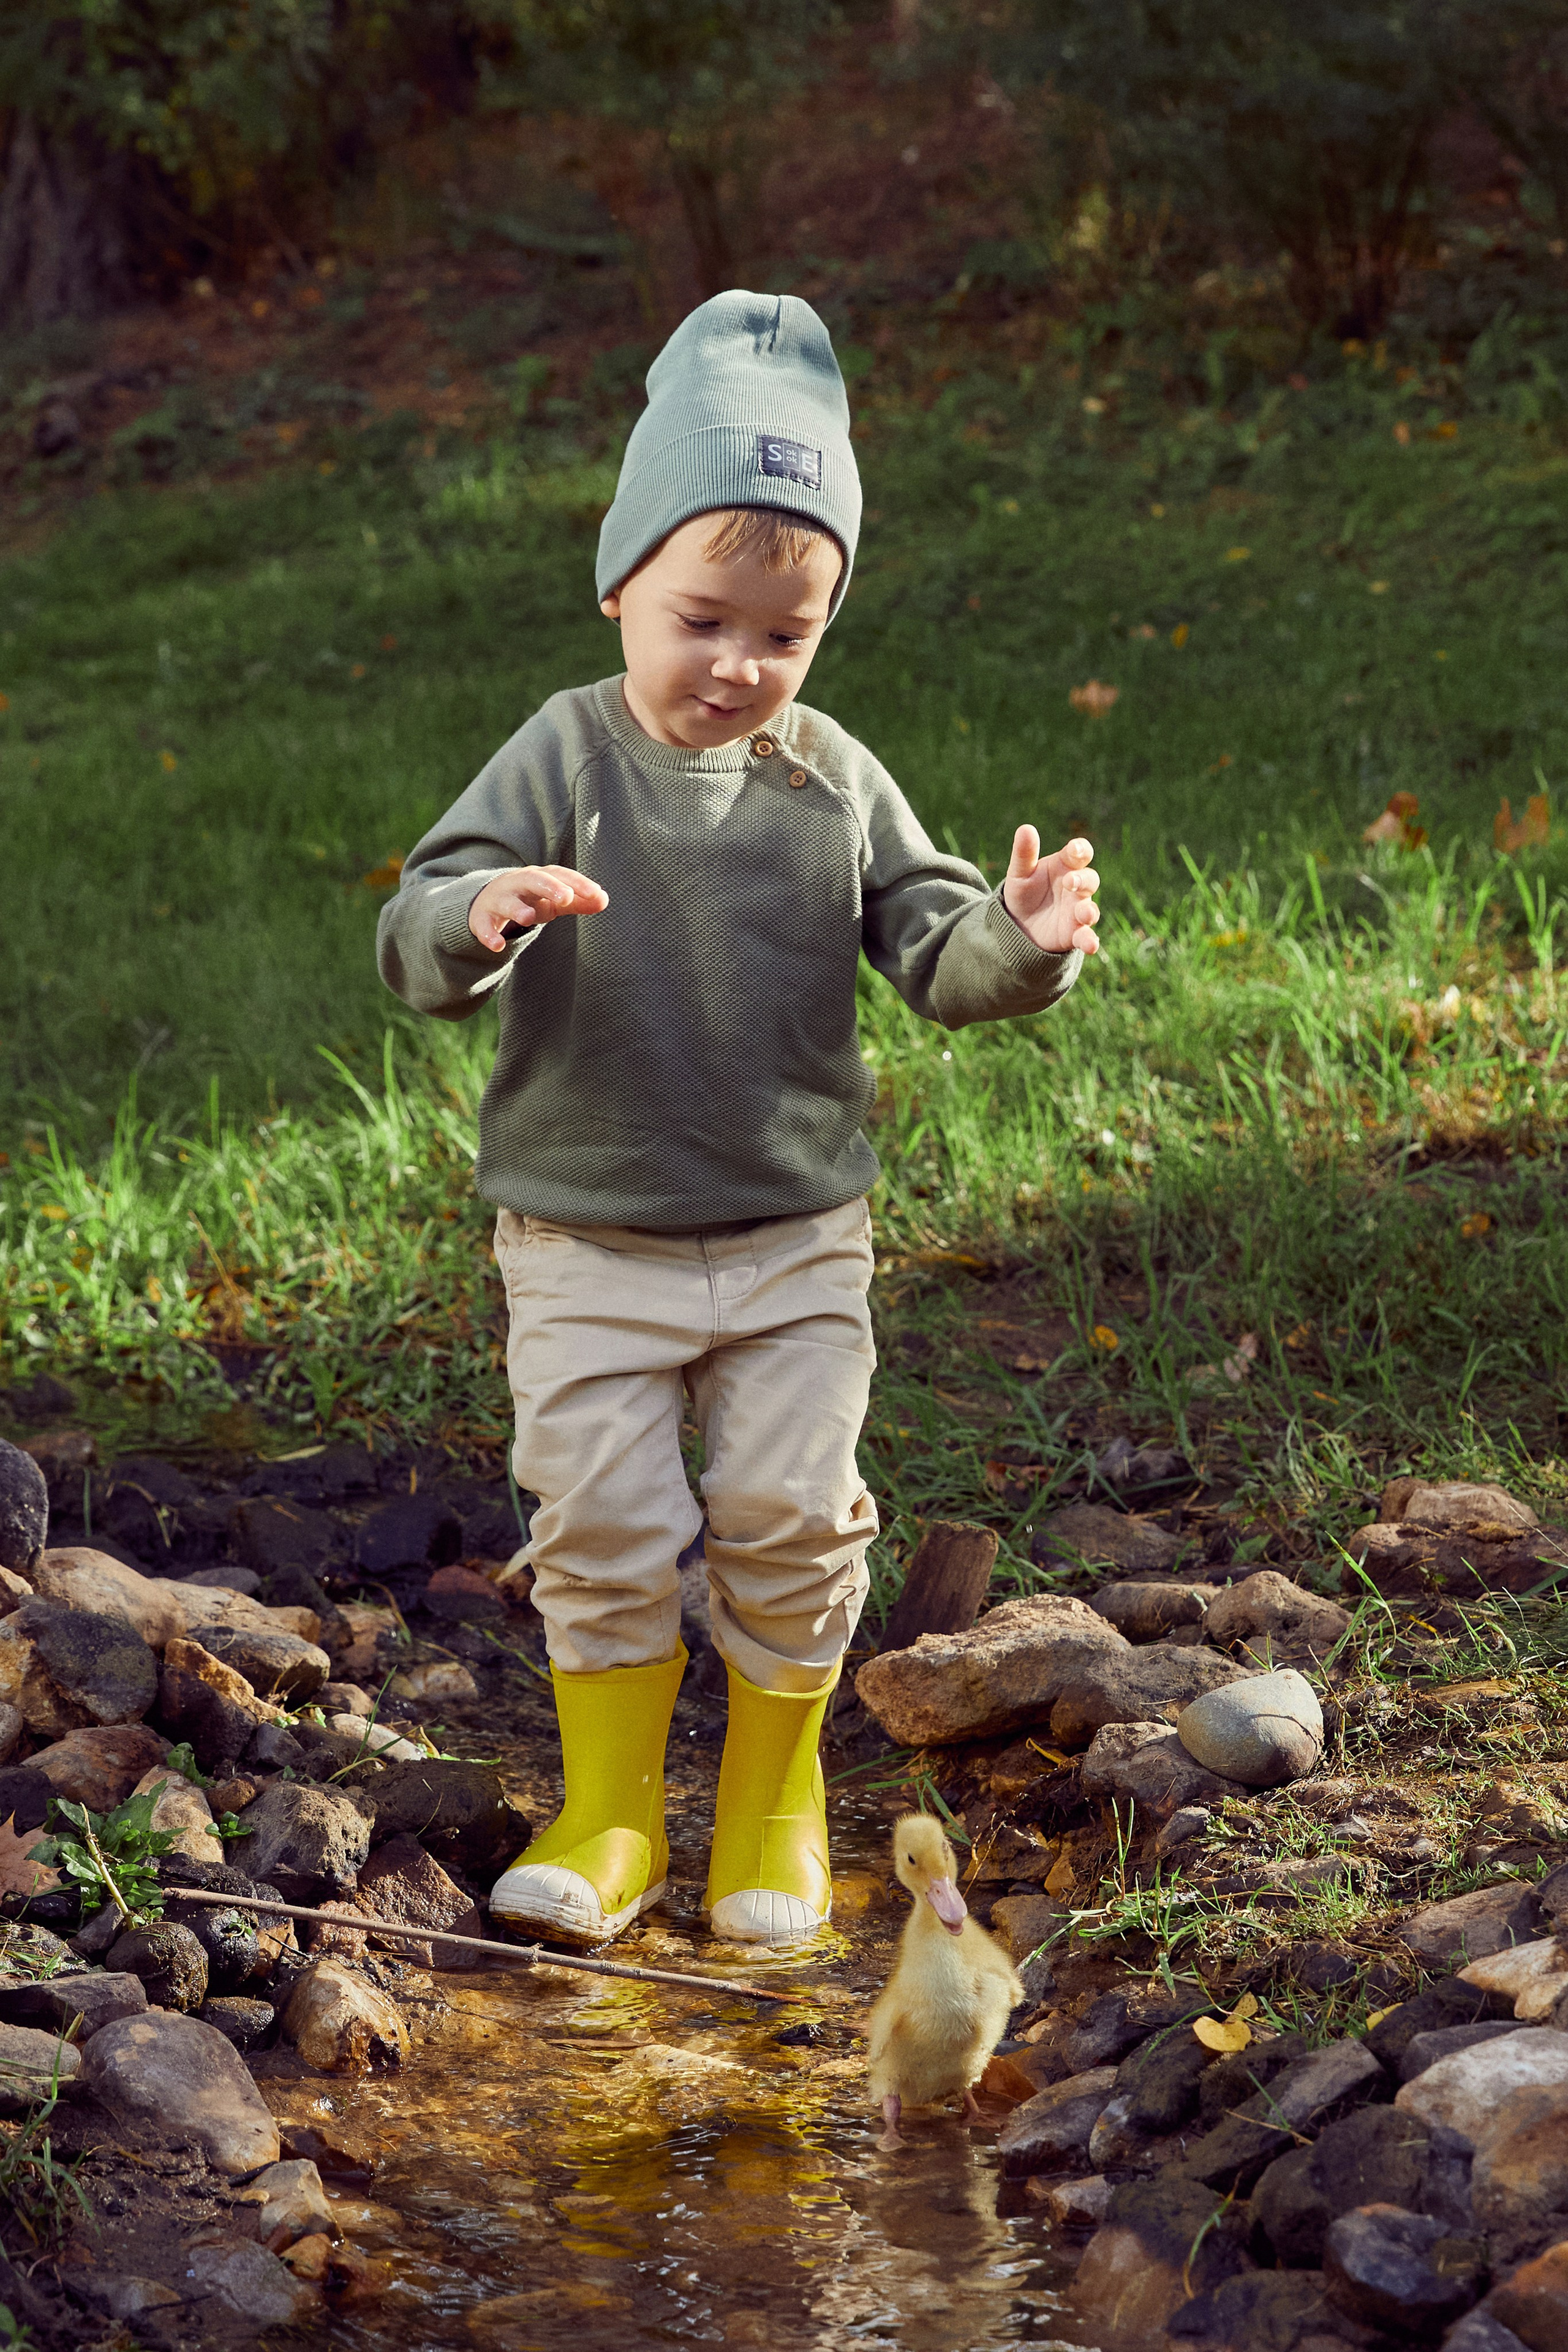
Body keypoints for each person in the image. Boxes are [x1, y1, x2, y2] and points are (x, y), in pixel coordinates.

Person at [377, 289, 1101, 1949]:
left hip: (791, 1234)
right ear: (625, 581)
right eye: (703, 620)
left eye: (785, 635)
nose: (739, 666)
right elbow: (415, 919)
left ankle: (770, 1813)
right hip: (585, 1238)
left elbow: (934, 941)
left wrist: (1026, 945)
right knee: (606, 1519)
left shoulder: (829, 775)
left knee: (790, 1510)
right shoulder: (561, 758)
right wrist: (481, 915)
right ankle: (613, 1810)